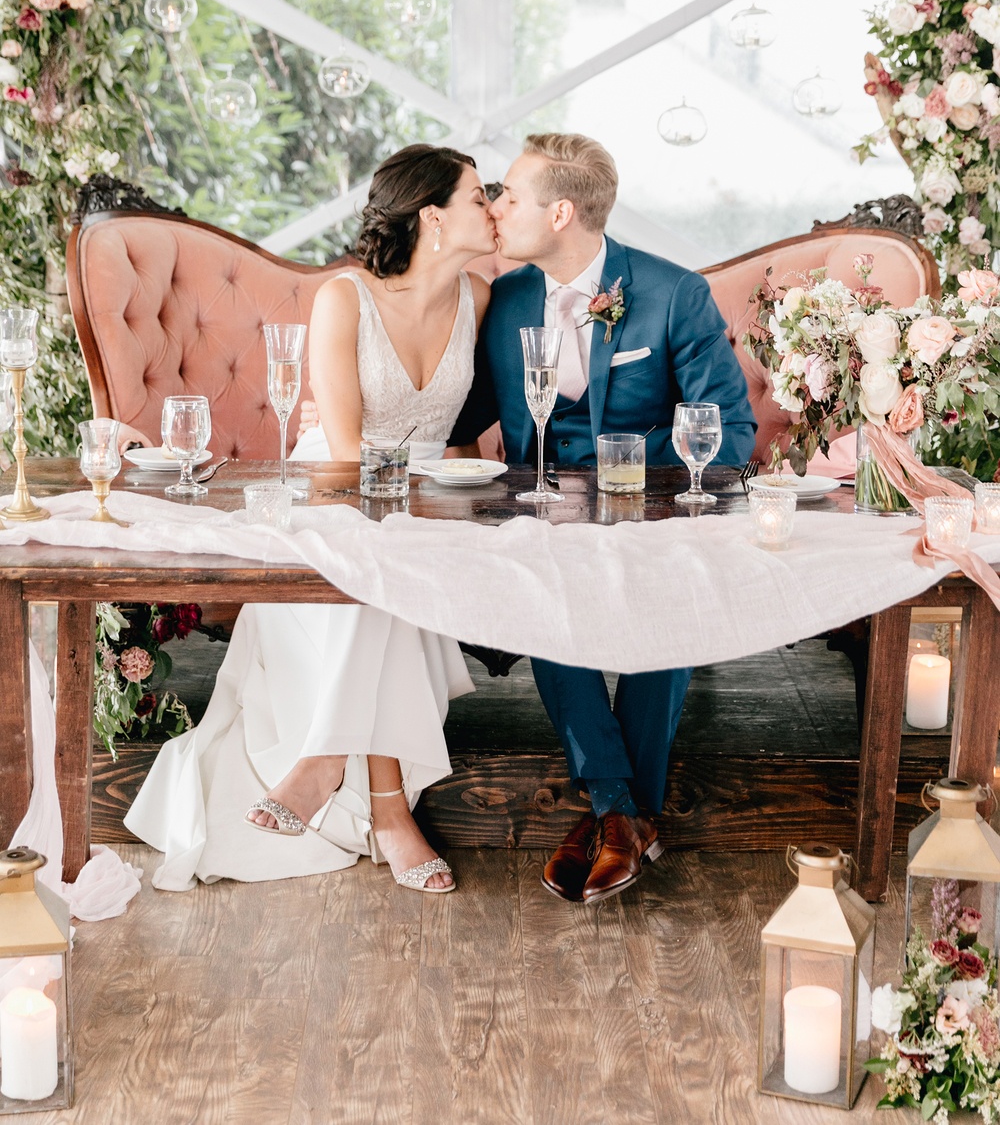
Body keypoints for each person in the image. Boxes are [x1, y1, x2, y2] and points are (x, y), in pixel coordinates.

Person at [126, 145, 497, 894]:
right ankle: (388, 812)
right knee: (376, 571)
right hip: (332, 487)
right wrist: (394, 513)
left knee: (391, 563)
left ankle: (324, 760)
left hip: (420, 500)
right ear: (432, 216)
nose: (491, 209)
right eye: (479, 196)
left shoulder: (480, 298)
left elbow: (462, 437)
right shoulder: (344, 298)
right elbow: (343, 453)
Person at [448, 132, 755, 905]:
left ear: (559, 212)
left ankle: (613, 811)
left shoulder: (672, 292)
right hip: (542, 517)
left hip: (650, 514)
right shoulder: (505, 299)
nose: (494, 205)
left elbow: (733, 434)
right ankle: (628, 816)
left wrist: (644, 494)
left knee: (671, 598)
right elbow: (466, 414)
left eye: (508, 195)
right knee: (555, 591)